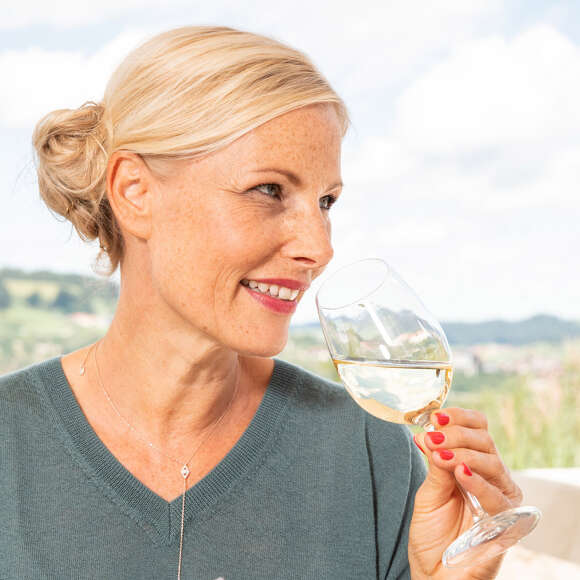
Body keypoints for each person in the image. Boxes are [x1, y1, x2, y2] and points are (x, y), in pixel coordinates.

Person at [0, 26, 522, 579]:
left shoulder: (368, 453)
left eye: (325, 201)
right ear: (135, 192)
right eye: (269, 190)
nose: (319, 248)